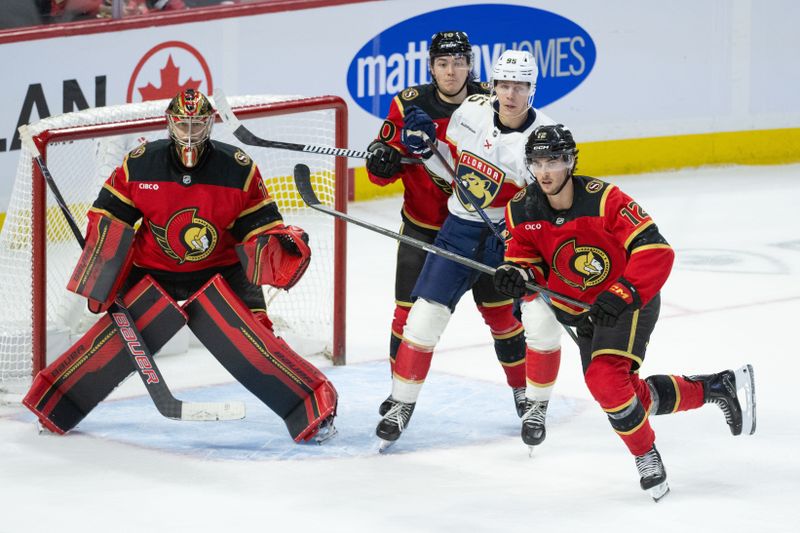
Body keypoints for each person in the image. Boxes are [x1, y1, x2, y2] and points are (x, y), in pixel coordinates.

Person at [23, 89, 337, 444]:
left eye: (198, 123)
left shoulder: (238, 168)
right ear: (169, 123)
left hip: (222, 271)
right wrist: (102, 279)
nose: (190, 132)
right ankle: (54, 402)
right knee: (113, 342)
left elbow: (258, 228)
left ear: (210, 124)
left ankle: (313, 407)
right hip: (152, 271)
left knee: (257, 337)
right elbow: (109, 219)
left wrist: (279, 246)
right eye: (183, 123)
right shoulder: (140, 163)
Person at [494, 124, 756, 500]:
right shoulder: (521, 208)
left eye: (553, 160)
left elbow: (656, 250)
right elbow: (526, 259)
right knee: (625, 395)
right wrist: (515, 274)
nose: (545, 171)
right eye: (537, 162)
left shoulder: (605, 199)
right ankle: (715, 387)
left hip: (629, 299)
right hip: (581, 310)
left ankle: (646, 456)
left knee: (605, 381)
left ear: (570, 161)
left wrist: (623, 292)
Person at [374, 49, 563, 446]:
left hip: (507, 241)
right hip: (457, 231)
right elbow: (450, 170)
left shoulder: (543, 139)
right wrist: (428, 149)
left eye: (521, 86)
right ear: (492, 85)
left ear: (533, 89)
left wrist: (527, 253)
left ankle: (530, 401)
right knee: (422, 319)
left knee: (518, 325)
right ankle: (402, 402)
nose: (511, 94)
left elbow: (548, 208)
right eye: (504, 85)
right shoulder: (471, 113)